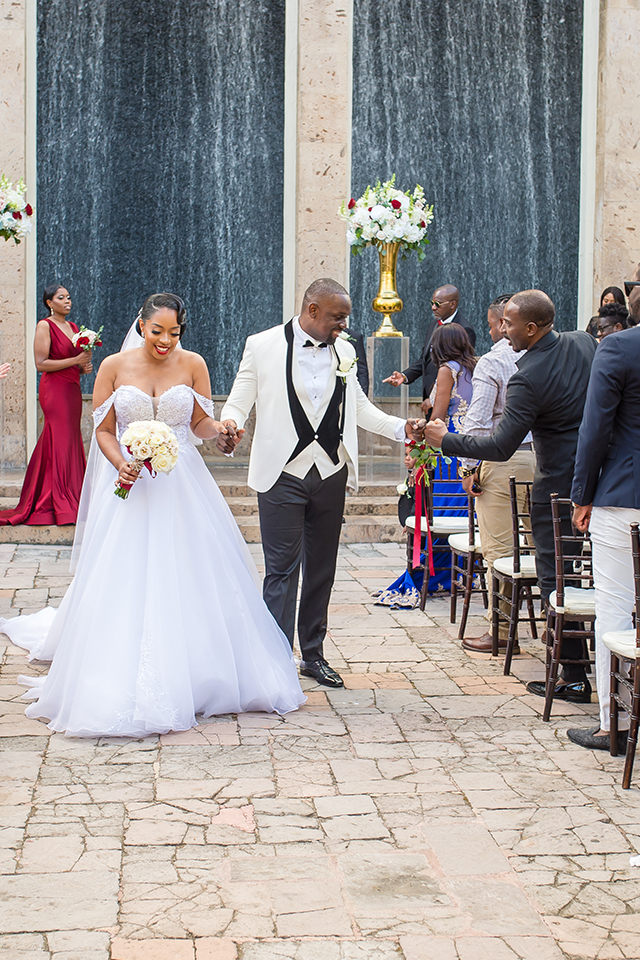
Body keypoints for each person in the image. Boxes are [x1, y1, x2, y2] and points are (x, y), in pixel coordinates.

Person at [0, 292, 305, 737]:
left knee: (194, 572)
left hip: (183, 484)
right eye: (157, 331)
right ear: (141, 324)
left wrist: (221, 433)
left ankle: (202, 672)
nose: (165, 341)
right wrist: (118, 460)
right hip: (130, 486)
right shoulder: (113, 367)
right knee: (125, 574)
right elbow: (103, 431)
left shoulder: (194, 364)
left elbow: (200, 425)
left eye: (175, 332)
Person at [218, 278, 425, 688]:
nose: (343, 326)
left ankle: (313, 655)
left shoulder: (345, 351)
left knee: (322, 570)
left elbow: (362, 410)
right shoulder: (262, 345)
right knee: (280, 571)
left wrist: (407, 429)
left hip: (331, 472)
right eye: (337, 318)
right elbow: (239, 401)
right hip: (281, 474)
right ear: (312, 310)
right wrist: (230, 425)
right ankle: (274, 661)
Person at [423, 289, 597, 702]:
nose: (502, 330)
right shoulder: (584, 342)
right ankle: (594, 663)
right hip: (596, 479)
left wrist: (447, 440)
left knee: (558, 582)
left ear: (532, 328)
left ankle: (573, 676)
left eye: (509, 324)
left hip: (554, 486)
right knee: (591, 575)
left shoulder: (527, 377)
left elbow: (501, 446)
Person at [568, 323, 640, 750]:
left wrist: (582, 495)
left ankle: (615, 722)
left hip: (625, 492)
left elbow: (594, 427)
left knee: (614, 607)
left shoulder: (619, 346)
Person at [457, 294, 536, 654]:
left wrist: (468, 468)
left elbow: (477, 420)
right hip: (546, 461)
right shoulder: (551, 354)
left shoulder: (493, 361)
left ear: (505, 323)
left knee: (500, 552)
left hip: (504, 461)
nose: (494, 330)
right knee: (544, 548)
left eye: (495, 324)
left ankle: (502, 632)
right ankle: (558, 630)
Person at [0, 285, 91, 527]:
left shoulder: (73, 328)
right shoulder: (45, 325)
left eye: (69, 297)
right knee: (60, 437)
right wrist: (75, 360)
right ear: (50, 303)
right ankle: (57, 501)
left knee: (69, 438)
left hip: (72, 389)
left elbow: (74, 364)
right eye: (61, 298)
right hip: (55, 390)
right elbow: (41, 364)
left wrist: (83, 366)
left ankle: (73, 495)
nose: (67, 301)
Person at [384, 284, 476, 407]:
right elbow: (426, 359)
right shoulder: (434, 324)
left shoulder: (464, 329)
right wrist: (404, 376)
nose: (433, 308)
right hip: (428, 399)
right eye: (432, 303)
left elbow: (459, 371)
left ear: (452, 304)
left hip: (447, 403)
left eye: (437, 304)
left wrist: (435, 398)